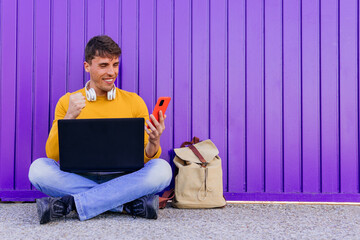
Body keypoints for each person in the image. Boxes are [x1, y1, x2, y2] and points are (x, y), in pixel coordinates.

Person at [28, 35, 172, 224]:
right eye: (104, 65)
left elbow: (145, 157)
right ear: (87, 66)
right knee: (38, 170)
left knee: (162, 170)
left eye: (116, 65)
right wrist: (69, 117)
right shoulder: (68, 102)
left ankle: (69, 205)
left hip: (124, 177)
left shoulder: (134, 101)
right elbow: (52, 154)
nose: (112, 72)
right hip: (81, 178)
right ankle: (126, 204)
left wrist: (154, 141)